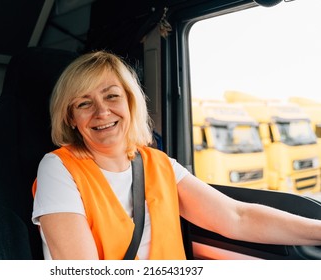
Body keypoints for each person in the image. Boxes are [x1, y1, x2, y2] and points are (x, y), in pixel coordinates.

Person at [32, 50, 321, 260]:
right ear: (70, 118)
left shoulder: (159, 164)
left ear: (130, 103)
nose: (102, 112)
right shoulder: (58, 168)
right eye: (84, 103)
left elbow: (237, 216)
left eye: (111, 95)